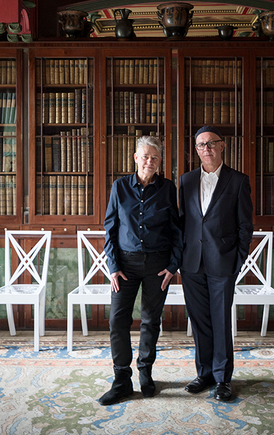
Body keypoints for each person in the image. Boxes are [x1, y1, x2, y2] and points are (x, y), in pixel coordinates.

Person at [98, 135, 183, 406]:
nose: (149, 161)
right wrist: (112, 267)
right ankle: (121, 379)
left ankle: (145, 371)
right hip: (125, 265)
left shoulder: (168, 188)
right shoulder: (119, 187)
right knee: (117, 321)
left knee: (150, 320)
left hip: (158, 266)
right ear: (135, 158)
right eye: (145, 156)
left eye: (154, 158)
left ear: (160, 162)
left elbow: (177, 230)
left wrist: (173, 266)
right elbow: (110, 229)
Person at [178, 125, 253, 402]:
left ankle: (222, 379)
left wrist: (238, 259)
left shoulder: (238, 181)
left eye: (211, 143)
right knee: (200, 322)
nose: (206, 148)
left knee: (221, 321)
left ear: (222, 146)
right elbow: (184, 222)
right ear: (196, 150)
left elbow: (246, 226)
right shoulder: (185, 181)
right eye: (200, 145)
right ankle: (205, 372)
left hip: (223, 263)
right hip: (191, 263)